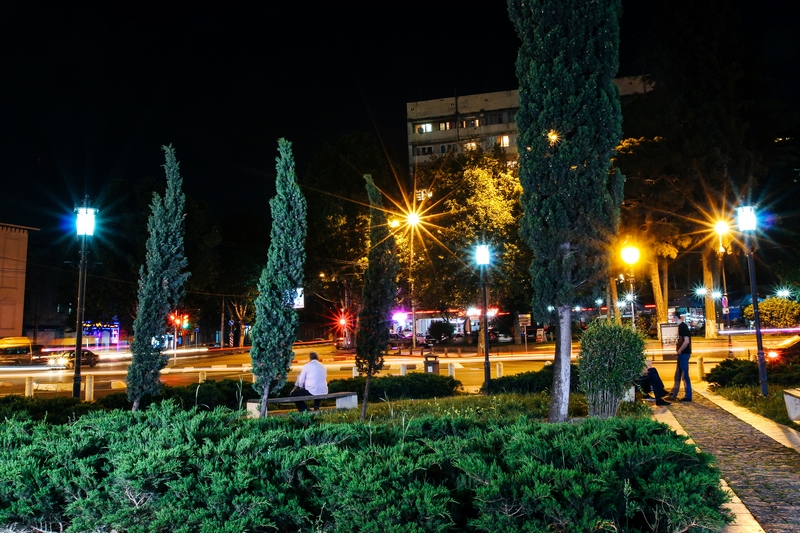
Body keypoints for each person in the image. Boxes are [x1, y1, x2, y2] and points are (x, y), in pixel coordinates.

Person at [667, 311, 692, 402]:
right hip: (682, 354)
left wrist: (680, 350)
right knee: (677, 375)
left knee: (684, 376)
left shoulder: (683, 327)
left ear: (675, 317)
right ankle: (673, 395)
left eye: (672, 317)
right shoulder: (680, 326)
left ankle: (688, 396)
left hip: (684, 354)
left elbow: (686, 341)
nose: (671, 319)